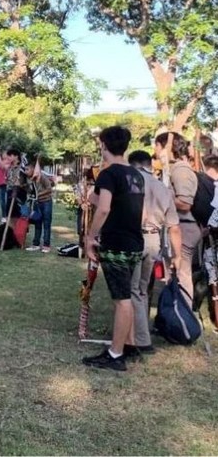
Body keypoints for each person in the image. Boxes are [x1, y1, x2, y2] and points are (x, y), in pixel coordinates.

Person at [82, 126, 145, 372]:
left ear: (103, 145)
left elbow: (104, 208)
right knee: (126, 296)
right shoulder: (135, 175)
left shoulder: (109, 174)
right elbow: (107, 200)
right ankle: (127, 344)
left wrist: (90, 237)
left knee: (121, 300)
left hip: (116, 243)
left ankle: (115, 354)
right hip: (134, 242)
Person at [128, 150, 182, 355]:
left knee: (130, 290)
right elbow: (174, 227)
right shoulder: (163, 188)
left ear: (132, 164)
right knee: (142, 290)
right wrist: (176, 256)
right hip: (153, 238)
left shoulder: (130, 181)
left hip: (133, 236)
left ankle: (137, 339)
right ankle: (141, 335)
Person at [153, 132, 201, 306]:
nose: (155, 150)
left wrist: (161, 198)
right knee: (173, 272)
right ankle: (174, 313)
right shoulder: (172, 169)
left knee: (182, 272)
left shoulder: (181, 170)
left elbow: (185, 203)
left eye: (157, 146)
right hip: (177, 227)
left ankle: (184, 315)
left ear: (167, 147)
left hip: (185, 228)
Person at [25, 162, 55, 253]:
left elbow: (49, 189)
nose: (26, 172)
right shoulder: (30, 179)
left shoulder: (43, 177)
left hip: (46, 202)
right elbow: (31, 191)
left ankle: (46, 245)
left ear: (33, 169)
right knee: (37, 223)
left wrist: (38, 194)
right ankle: (36, 244)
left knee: (46, 223)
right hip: (37, 203)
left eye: (28, 169)